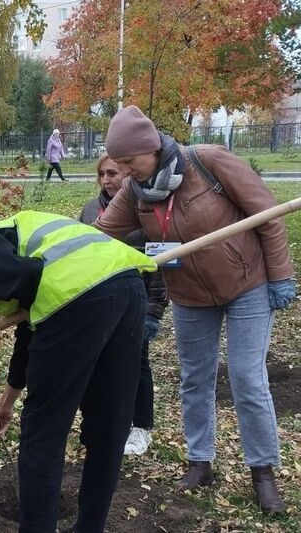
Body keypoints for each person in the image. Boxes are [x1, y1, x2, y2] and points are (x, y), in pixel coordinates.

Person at [94, 105, 295, 514]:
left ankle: (263, 471)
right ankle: (200, 462)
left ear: (151, 149)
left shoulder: (208, 162)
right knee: (194, 379)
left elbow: (269, 215)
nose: (126, 172)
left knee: (246, 377)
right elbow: (98, 234)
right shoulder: (136, 192)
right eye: (121, 165)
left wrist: (280, 276)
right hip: (189, 295)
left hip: (247, 284)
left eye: (130, 162)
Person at [0, 211, 156, 533]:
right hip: (128, 286)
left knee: (44, 433)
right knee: (109, 427)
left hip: (78, 297)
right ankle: (89, 527)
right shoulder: (21, 233)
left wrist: (30, 297)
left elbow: (32, 280)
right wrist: (6, 403)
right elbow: (28, 336)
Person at [79, 154, 169, 455]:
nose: (107, 180)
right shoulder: (91, 210)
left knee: (137, 363)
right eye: (102, 174)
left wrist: (154, 310)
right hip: (101, 301)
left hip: (138, 301)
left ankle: (141, 426)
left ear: (128, 175)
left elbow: (161, 263)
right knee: (101, 363)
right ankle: (106, 424)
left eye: (113, 173)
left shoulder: (146, 209)